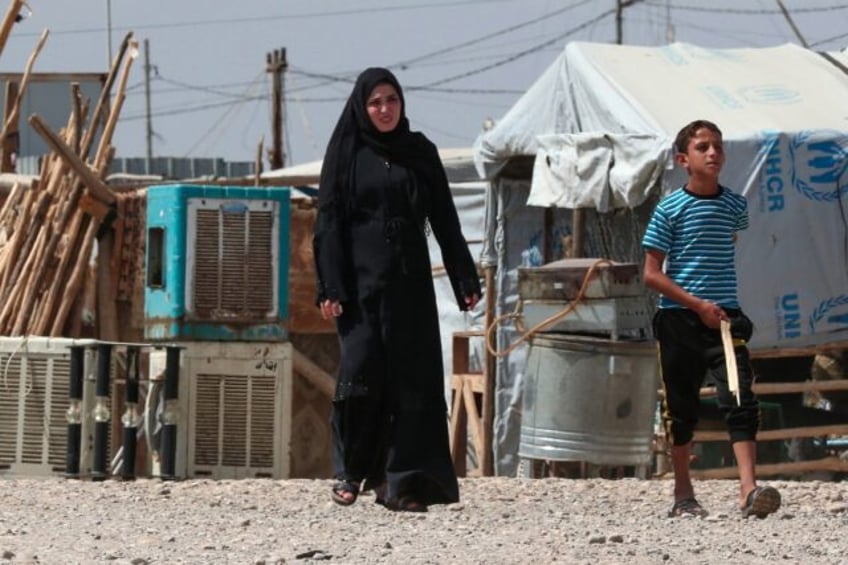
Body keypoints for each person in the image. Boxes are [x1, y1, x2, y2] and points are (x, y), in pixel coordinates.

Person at [312, 67, 481, 512]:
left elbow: (444, 217)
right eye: (375, 102)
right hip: (359, 286)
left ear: (402, 103)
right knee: (361, 368)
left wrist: (465, 276)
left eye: (392, 100)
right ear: (362, 107)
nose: (385, 109)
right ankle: (350, 472)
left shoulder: (420, 152)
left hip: (409, 283)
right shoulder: (346, 152)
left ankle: (402, 482)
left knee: (412, 380)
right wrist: (330, 285)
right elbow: (328, 222)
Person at [642, 119, 781, 519]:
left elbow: (727, 241)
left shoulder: (735, 206)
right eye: (703, 147)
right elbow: (651, 273)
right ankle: (683, 492)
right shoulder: (669, 208)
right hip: (679, 321)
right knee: (681, 408)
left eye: (717, 146)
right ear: (684, 160)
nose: (713, 153)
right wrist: (696, 303)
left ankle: (749, 491)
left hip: (724, 321)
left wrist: (715, 305)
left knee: (740, 398)